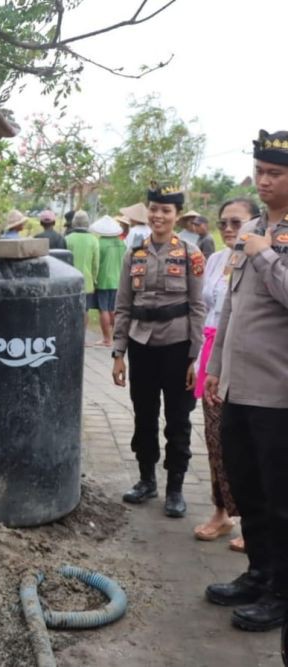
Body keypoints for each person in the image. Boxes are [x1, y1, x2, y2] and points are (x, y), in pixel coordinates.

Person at [204, 130, 288, 632]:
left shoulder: (264, 239)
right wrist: (215, 367)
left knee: (281, 498)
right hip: (238, 386)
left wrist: (264, 254)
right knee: (248, 489)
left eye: (275, 174)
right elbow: (230, 305)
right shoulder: (251, 227)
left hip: (278, 393)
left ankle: (281, 591)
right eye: (260, 172)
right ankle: (257, 574)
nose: (264, 181)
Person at [111, 183, 206, 518]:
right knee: (144, 415)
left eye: (166, 210)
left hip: (178, 347)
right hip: (141, 345)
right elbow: (123, 305)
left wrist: (195, 357)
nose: (158, 215)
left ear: (177, 215)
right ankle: (146, 479)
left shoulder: (191, 254)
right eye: (154, 208)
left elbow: (197, 307)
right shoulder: (133, 252)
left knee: (178, 419)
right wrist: (118, 352)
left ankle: (175, 488)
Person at [193, 198, 259, 550]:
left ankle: (253, 522)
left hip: (250, 360)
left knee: (250, 445)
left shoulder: (265, 258)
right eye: (224, 223)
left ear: (254, 224)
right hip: (212, 356)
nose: (230, 230)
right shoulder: (216, 260)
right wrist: (197, 360)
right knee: (216, 438)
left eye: (237, 223)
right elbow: (204, 312)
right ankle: (221, 512)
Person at [91, 216, 126, 347]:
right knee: (114, 310)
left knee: (103, 309)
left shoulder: (99, 243)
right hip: (118, 280)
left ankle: (107, 339)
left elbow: (96, 263)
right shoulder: (122, 243)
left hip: (103, 280)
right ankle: (117, 338)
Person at [65, 210, 99, 314]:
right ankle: (82, 330)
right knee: (85, 310)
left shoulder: (67, 239)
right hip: (87, 282)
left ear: (73, 222)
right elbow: (95, 264)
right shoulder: (94, 240)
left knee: (70, 310)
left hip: (69, 282)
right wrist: (94, 280)